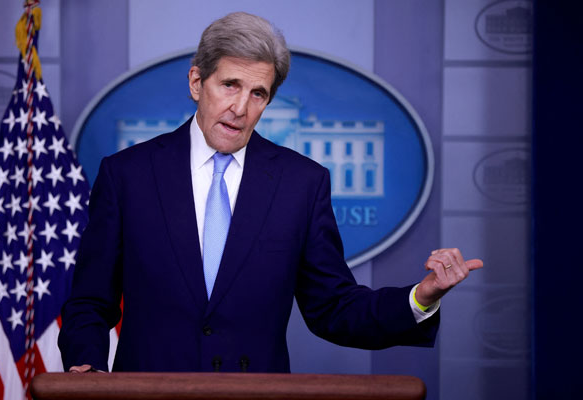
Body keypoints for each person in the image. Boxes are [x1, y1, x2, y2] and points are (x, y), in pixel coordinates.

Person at [58, 11, 483, 373]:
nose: (241, 108)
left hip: (255, 392)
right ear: (196, 82)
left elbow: (333, 308)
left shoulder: (301, 184)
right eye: (230, 85)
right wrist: (88, 370)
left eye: (257, 93)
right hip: (145, 396)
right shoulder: (127, 174)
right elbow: (90, 301)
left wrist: (420, 298)